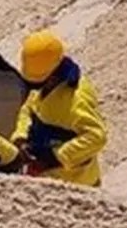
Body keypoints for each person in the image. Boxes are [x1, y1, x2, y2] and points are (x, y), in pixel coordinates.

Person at [11, 29, 107, 187]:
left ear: (55, 74)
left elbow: (96, 137)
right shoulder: (43, 82)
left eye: (39, 82)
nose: (35, 87)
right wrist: (21, 137)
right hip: (43, 172)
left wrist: (56, 156)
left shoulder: (77, 98)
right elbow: (28, 109)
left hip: (76, 182)